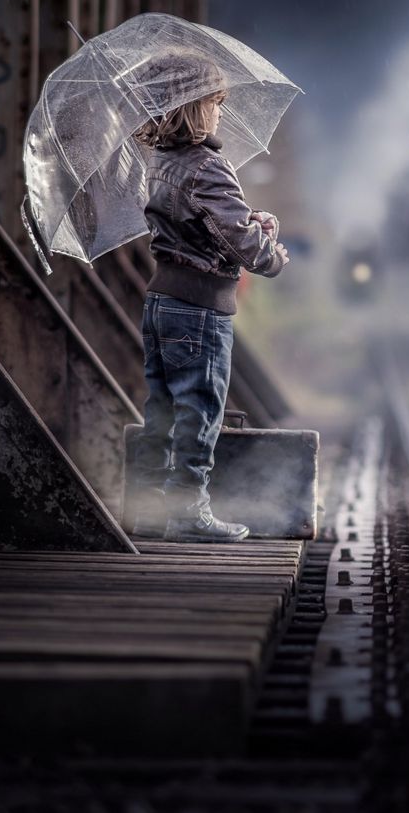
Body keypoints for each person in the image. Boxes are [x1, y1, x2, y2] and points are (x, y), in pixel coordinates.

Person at [132, 58, 289, 542]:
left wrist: (247, 220)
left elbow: (201, 227)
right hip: (199, 310)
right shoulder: (208, 167)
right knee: (199, 411)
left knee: (160, 410)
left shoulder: (162, 164)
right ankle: (188, 513)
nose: (221, 114)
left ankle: (147, 510)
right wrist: (272, 251)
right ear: (197, 109)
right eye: (217, 104)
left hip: (161, 301)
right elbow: (243, 247)